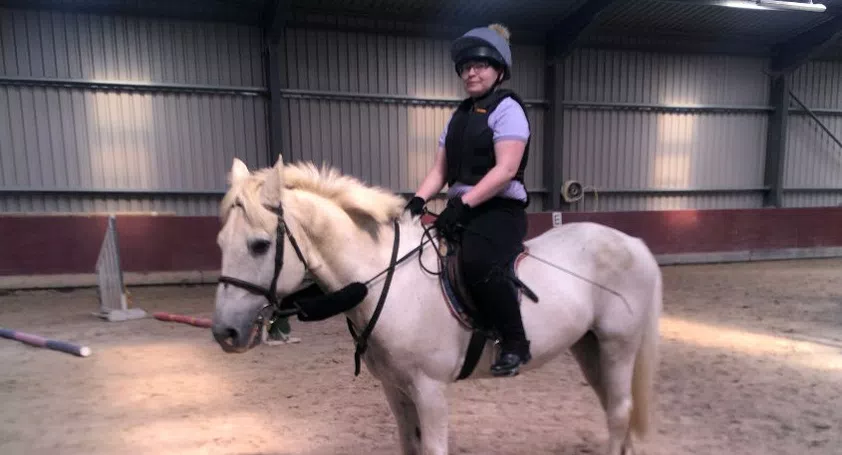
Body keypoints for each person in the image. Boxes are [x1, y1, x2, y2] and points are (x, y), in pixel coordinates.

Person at [405, 23, 532, 377]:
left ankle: (515, 342)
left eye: (480, 65)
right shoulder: (458, 116)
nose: (471, 72)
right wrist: (417, 200)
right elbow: (440, 172)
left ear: (499, 70)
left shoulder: (508, 110)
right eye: (466, 66)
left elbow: (506, 170)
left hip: (498, 211)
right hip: (463, 210)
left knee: (478, 262)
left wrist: (463, 204)